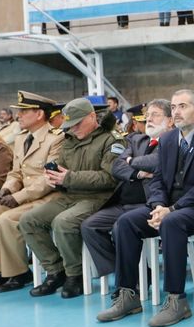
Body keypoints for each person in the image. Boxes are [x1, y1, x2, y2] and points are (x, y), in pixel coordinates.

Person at [96, 89, 194, 326]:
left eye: (183, 106)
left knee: (172, 222)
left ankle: (176, 299)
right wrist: (158, 205)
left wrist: (172, 209)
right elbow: (158, 180)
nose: (177, 112)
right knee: (126, 222)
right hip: (171, 206)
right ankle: (127, 294)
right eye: (174, 106)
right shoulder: (169, 139)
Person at [19, 98, 124, 299]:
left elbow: (110, 177)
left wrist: (69, 177)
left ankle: (75, 276)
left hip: (99, 198)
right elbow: (61, 165)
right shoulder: (69, 140)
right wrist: (52, 177)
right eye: (70, 124)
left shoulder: (112, 140)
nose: (73, 128)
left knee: (64, 222)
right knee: (29, 220)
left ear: (92, 116)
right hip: (69, 195)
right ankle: (56, 270)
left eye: (77, 123)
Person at [81, 99, 173, 280]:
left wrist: (131, 161)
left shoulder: (173, 142)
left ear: (170, 120)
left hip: (150, 204)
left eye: (155, 115)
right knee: (89, 226)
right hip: (123, 203)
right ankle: (125, 273)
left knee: (120, 227)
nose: (149, 119)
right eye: (147, 116)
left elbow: (156, 162)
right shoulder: (136, 139)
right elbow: (117, 167)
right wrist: (138, 174)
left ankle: (131, 280)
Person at [0, 92, 63, 293]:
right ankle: (1, 269)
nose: (18, 115)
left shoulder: (56, 138)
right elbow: (16, 172)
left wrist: (17, 196)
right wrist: (7, 188)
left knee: (7, 220)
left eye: (23, 111)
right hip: (23, 195)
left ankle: (18, 272)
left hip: (48, 197)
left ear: (39, 114)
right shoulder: (21, 138)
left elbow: (49, 178)